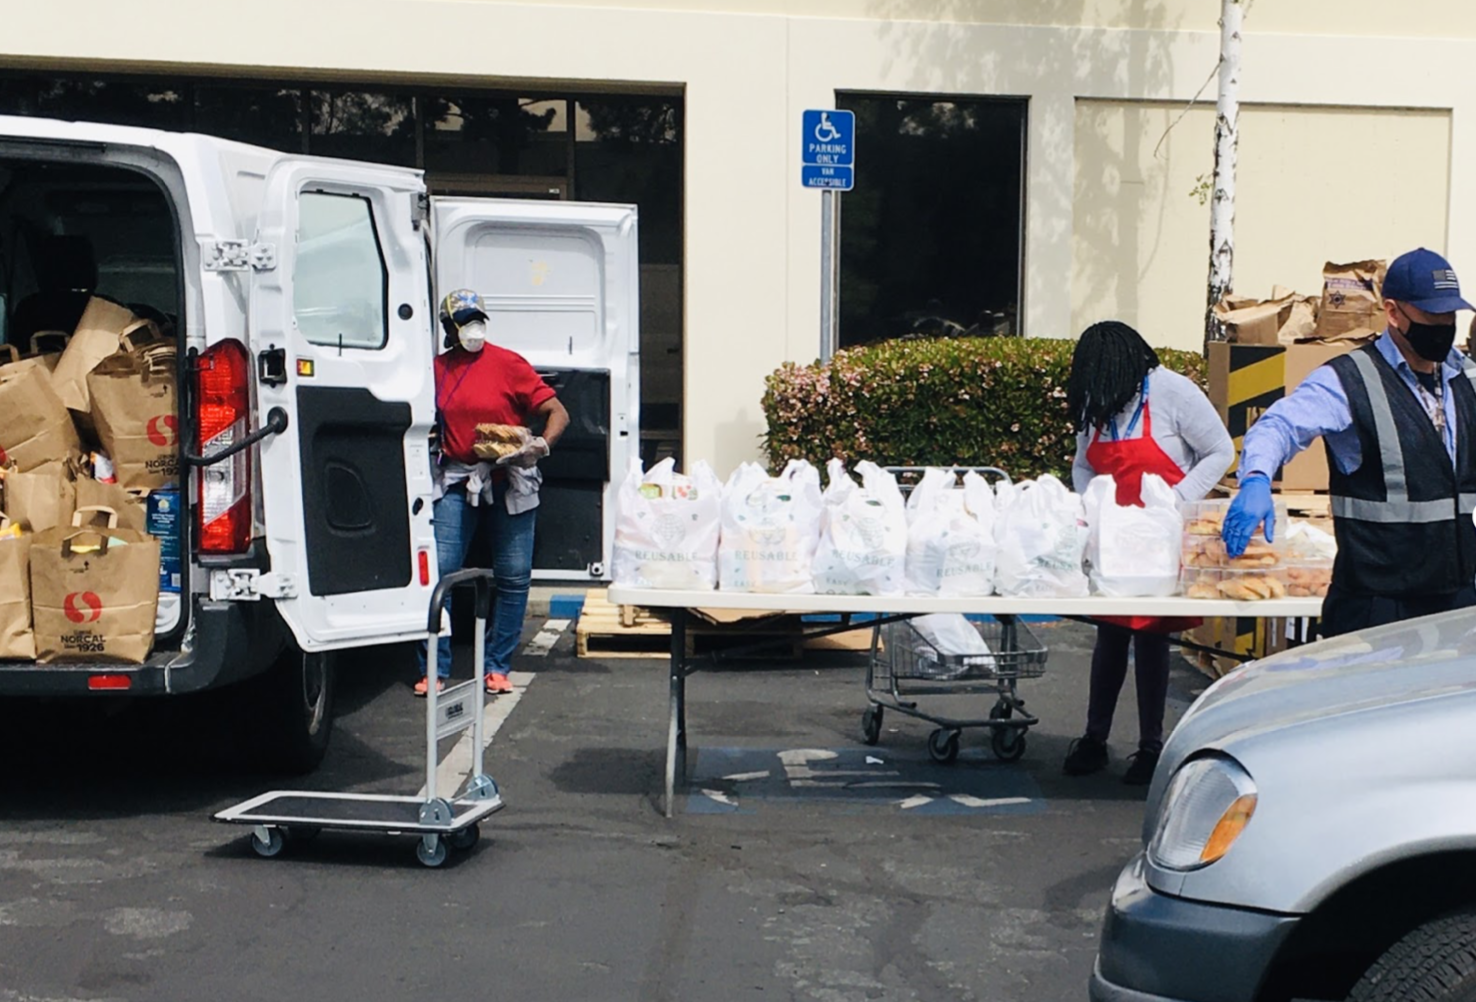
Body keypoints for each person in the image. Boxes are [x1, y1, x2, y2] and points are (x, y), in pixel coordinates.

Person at [1222, 247, 1476, 638]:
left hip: (1455, 601)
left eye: (1450, 316)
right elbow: (1280, 426)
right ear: (1393, 313)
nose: (1444, 325)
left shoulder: (1463, 380)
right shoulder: (1349, 380)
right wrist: (1255, 478)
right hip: (1378, 606)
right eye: (1432, 316)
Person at [1063, 321, 1234, 783]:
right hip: (1113, 545)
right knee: (1110, 636)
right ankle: (1094, 738)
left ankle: (1151, 747)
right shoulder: (1099, 401)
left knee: (1152, 637)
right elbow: (1082, 464)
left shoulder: (1172, 392)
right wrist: (1092, 510)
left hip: (1160, 542)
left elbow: (1220, 451)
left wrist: (1177, 501)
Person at [416, 289, 570, 696]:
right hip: (456, 478)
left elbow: (558, 412)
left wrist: (540, 445)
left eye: (477, 318)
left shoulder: (508, 364)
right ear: (449, 329)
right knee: (441, 572)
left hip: (509, 479)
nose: (473, 328)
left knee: (514, 575)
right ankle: (434, 667)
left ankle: (498, 666)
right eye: (463, 321)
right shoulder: (434, 369)